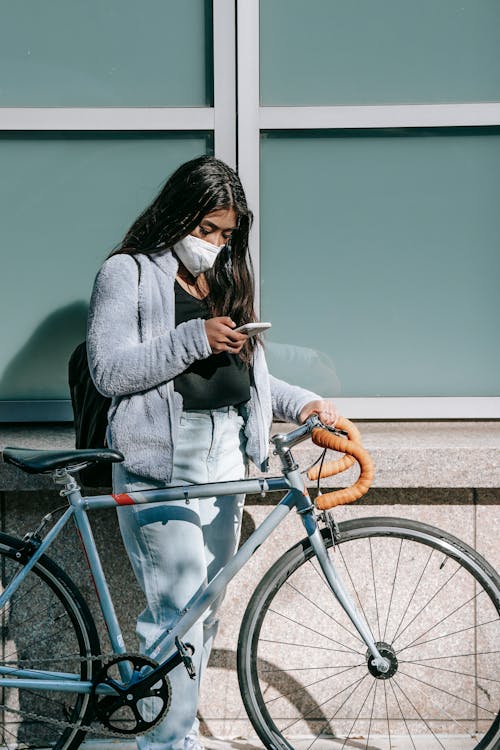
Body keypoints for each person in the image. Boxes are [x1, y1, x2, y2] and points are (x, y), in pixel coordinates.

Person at [87, 155, 337, 750]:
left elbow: (249, 377)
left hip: (226, 462)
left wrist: (303, 404)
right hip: (161, 465)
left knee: (204, 608)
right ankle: (168, 744)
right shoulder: (127, 274)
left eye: (226, 235)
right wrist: (194, 338)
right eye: (207, 230)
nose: (215, 245)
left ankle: (176, 732)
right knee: (176, 609)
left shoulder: (223, 278)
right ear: (177, 215)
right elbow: (109, 370)